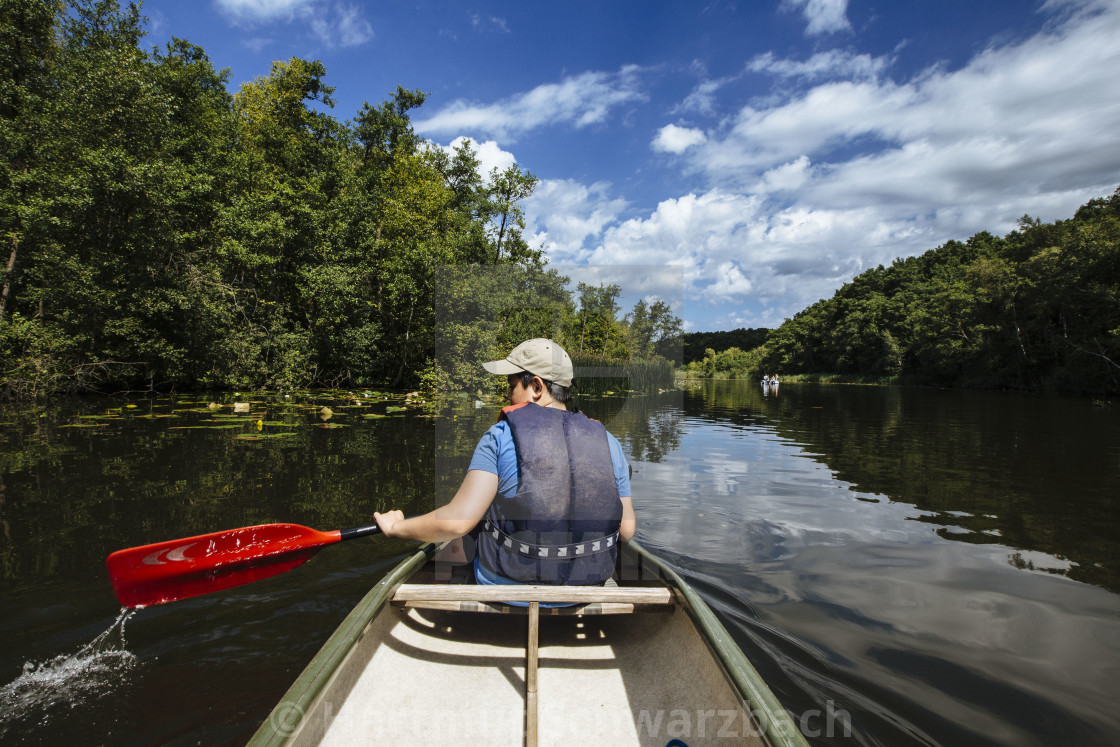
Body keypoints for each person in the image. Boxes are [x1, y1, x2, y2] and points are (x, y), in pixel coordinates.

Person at [374, 338, 636, 586]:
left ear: (536, 387)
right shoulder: (609, 442)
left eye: (512, 387)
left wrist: (396, 527)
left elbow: (457, 522)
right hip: (588, 585)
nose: (508, 396)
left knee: (474, 525)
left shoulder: (500, 436)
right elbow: (626, 531)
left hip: (507, 583)